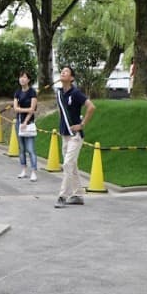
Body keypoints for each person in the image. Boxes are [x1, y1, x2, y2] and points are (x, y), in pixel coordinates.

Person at [54, 65, 95, 208]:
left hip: (75, 136)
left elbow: (91, 107)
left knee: (67, 164)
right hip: (64, 134)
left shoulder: (76, 93)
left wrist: (82, 124)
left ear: (71, 78)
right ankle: (78, 194)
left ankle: (62, 196)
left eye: (66, 72)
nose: (62, 73)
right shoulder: (59, 93)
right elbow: (61, 113)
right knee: (72, 165)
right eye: (62, 71)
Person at [13, 70, 39, 182]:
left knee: (30, 149)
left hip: (28, 123)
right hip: (19, 121)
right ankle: (23, 169)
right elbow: (15, 108)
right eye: (20, 77)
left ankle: (33, 171)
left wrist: (25, 121)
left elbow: (32, 110)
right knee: (21, 148)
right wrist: (25, 110)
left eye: (24, 77)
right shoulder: (17, 92)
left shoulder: (32, 92)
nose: (22, 79)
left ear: (28, 80)